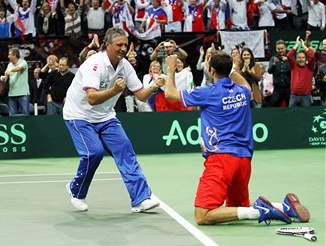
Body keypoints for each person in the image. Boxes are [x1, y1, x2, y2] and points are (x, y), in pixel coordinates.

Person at [163, 52, 310, 225]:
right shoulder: (241, 91)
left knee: (202, 215)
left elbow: (169, 93)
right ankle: (285, 207)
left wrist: (171, 67)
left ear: (210, 70)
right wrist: (231, 69)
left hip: (221, 159)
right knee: (239, 207)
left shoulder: (207, 93)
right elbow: (246, 84)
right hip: (243, 160)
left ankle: (260, 211)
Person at [63, 27, 165, 212]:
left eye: (125, 45)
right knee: (93, 153)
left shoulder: (125, 66)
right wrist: (114, 91)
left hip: (106, 116)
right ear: (107, 45)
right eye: (119, 45)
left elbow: (141, 95)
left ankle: (141, 199)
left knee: (125, 149)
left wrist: (153, 86)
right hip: (79, 115)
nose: (123, 48)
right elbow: (92, 98)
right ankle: (76, 190)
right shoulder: (93, 64)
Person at [287, 37, 315, 107]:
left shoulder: (310, 67)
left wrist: (304, 46)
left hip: (306, 97)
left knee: (305, 116)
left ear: (306, 59)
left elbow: (312, 56)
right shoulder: (293, 66)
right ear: (296, 59)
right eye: (299, 57)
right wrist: (296, 45)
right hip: (294, 96)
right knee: (291, 115)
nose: (301, 59)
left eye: (303, 57)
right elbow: (288, 55)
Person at [1, 47, 30, 115]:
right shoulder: (9, 65)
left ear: (14, 55)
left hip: (23, 93)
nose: (8, 56)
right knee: (12, 115)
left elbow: (19, 68)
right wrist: (3, 78)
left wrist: (10, 70)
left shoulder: (23, 62)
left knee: (25, 114)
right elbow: (5, 77)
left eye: (9, 55)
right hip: (12, 94)